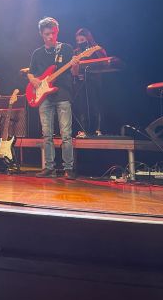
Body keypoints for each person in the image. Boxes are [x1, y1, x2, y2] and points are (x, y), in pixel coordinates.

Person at [27, 17, 79, 179]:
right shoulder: (37, 53)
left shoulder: (66, 48)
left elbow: (74, 73)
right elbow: (30, 72)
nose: (51, 36)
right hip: (44, 96)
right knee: (46, 134)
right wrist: (34, 80)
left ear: (57, 32)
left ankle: (68, 168)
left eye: (53, 33)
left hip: (63, 94)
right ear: (41, 34)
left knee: (66, 134)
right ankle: (49, 167)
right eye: (47, 34)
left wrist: (75, 65)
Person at [73, 28, 107, 138]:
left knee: (94, 105)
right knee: (82, 106)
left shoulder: (96, 49)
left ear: (88, 39)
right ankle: (84, 130)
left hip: (93, 81)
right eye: (78, 40)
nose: (80, 42)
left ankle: (97, 129)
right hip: (81, 83)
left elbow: (104, 63)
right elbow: (72, 70)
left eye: (82, 40)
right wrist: (77, 73)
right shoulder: (76, 52)